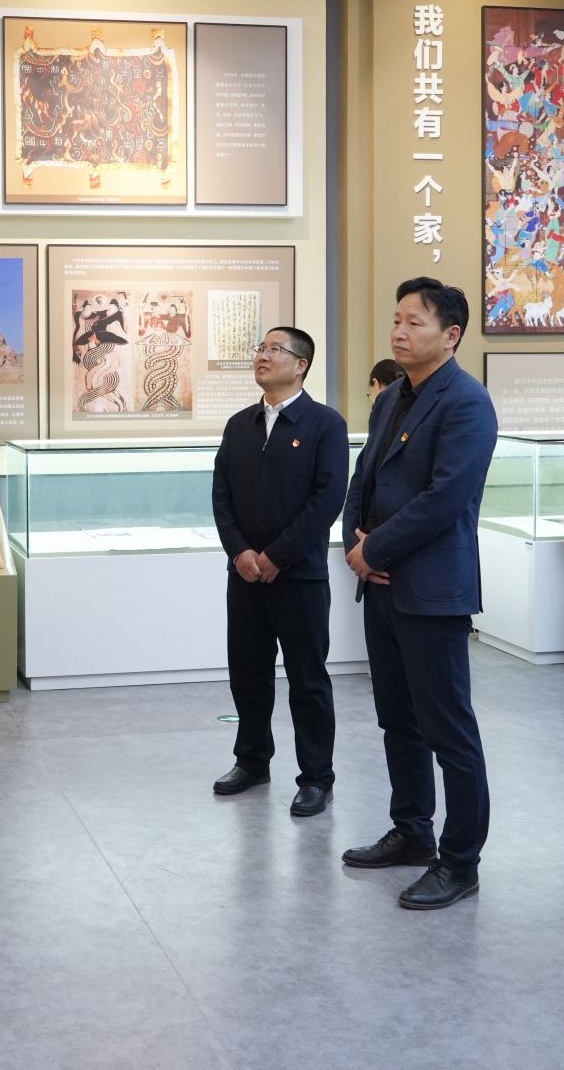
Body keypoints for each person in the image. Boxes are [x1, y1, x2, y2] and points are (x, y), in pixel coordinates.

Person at [339, 278, 498, 911]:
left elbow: (445, 497)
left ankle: (460, 861)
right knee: (397, 719)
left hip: (430, 589)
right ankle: (411, 830)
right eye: (396, 320)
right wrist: (354, 542)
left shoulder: (467, 402)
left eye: (415, 322)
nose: (399, 332)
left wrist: (374, 550)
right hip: (380, 584)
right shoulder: (390, 400)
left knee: (448, 729)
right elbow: (363, 477)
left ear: (451, 335)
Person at [210, 327, 350, 816]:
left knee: (307, 680)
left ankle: (316, 778)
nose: (263, 356)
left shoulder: (325, 424)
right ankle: (251, 761)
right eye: (261, 349)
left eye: (275, 349)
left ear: (301, 364)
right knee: (248, 674)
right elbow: (221, 495)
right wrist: (240, 553)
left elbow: (327, 499)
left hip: (299, 576)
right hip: (245, 576)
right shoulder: (239, 425)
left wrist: (276, 556)